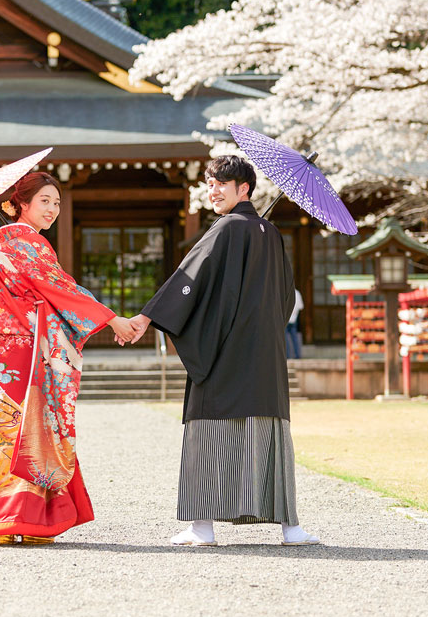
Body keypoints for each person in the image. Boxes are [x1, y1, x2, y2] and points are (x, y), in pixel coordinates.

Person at [126, 155, 320, 546]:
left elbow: (189, 279)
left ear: (243, 189)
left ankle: (202, 527)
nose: (211, 191)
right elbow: (284, 301)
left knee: (208, 428)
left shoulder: (226, 229)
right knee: (269, 432)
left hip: (225, 352)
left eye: (220, 184)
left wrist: (148, 317)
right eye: (210, 183)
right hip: (264, 355)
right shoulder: (270, 232)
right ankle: (290, 528)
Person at [0, 172, 135, 545]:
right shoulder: (31, 247)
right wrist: (111, 319)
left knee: (1, 424)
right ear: (19, 205)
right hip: (28, 348)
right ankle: (33, 519)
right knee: (33, 424)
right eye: (44, 200)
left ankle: (4, 521)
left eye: (56, 202)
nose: (53, 209)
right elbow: (60, 291)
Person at [285, 288, 304, 359]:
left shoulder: (285, 292)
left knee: (285, 339)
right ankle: (297, 355)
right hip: (294, 318)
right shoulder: (297, 293)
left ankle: (287, 355)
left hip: (286, 318)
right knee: (294, 338)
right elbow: (301, 307)